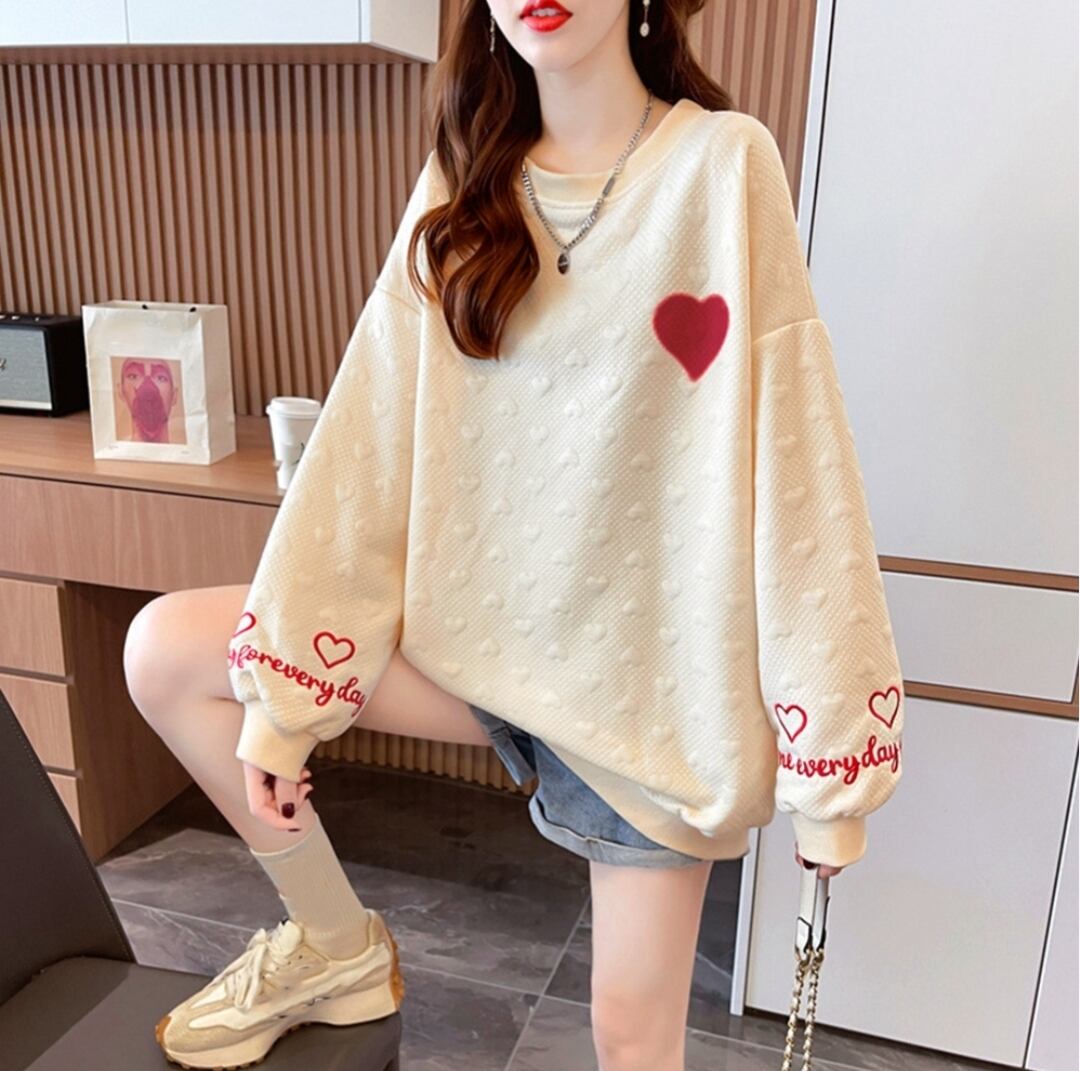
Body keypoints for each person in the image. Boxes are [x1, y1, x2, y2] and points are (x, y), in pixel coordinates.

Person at [123, 1, 905, 1068]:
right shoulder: (464, 183)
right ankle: (336, 946)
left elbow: (799, 456)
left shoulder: (722, 166)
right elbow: (371, 435)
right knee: (167, 653)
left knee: (631, 1037)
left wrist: (832, 772)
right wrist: (286, 708)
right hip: (482, 655)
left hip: (644, 700)